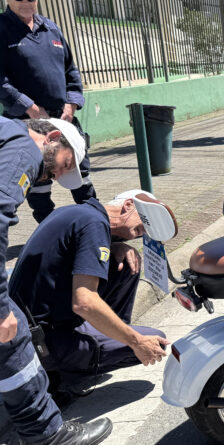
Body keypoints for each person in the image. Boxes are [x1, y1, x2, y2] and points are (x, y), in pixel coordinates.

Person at [0, 116, 111, 444]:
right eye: (65, 164)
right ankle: (47, 436)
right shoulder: (25, 150)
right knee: (12, 335)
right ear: (52, 137)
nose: (58, 174)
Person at [9, 189, 174, 401]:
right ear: (128, 206)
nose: (140, 235)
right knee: (154, 342)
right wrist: (136, 342)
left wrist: (114, 246)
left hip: (29, 326)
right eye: (140, 228)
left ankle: (103, 338)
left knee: (124, 264)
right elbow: (84, 303)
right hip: (43, 341)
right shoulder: (96, 226)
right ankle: (58, 374)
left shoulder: (80, 213)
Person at [0, 0, 97, 224]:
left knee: (80, 173)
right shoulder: (3, 28)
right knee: (40, 184)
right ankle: (50, 231)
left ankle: (96, 224)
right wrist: (31, 108)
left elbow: (71, 70)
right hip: (28, 123)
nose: (25, 2)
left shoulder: (51, 28)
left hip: (64, 119)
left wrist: (70, 105)